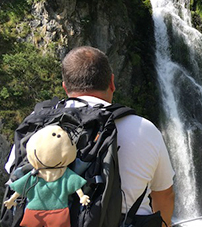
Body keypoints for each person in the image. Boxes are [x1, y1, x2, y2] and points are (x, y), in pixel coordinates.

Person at [5, 46, 175, 227]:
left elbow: (13, 172)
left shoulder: (37, 124)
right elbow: (164, 195)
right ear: (112, 82)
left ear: (65, 87)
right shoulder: (143, 128)